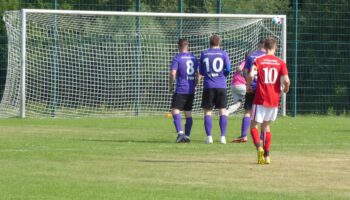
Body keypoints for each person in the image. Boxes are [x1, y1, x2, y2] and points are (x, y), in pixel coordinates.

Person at [247, 37, 290, 164]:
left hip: (260, 97)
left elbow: (250, 75)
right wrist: (286, 89)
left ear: (265, 47)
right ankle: (267, 156)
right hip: (274, 98)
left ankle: (259, 147)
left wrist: (248, 86)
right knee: (266, 126)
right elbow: (286, 80)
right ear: (275, 48)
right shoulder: (281, 62)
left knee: (254, 125)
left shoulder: (258, 60)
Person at [232, 39, 266, 143]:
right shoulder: (268, 58)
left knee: (247, 111)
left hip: (251, 87)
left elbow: (245, 72)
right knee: (263, 113)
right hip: (263, 89)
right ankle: (262, 137)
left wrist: (248, 85)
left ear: (258, 45)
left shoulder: (251, 56)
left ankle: (243, 136)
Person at [199, 35, 231, 144]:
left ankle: (209, 137)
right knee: (222, 111)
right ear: (219, 43)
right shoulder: (224, 53)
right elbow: (228, 69)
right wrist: (222, 74)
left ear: (210, 42)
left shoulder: (204, 53)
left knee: (208, 112)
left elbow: (201, 71)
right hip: (221, 85)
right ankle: (223, 137)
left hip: (208, 86)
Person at [169, 38, 200, 143]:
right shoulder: (194, 58)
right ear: (188, 46)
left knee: (175, 110)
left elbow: (173, 73)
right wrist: (196, 84)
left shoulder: (177, 58)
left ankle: (180, 133)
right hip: (190, 89)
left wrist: (170, 85)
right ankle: (187, 136)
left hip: (181, 88)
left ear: (179, 46)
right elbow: (198, 73)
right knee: (188, 113)